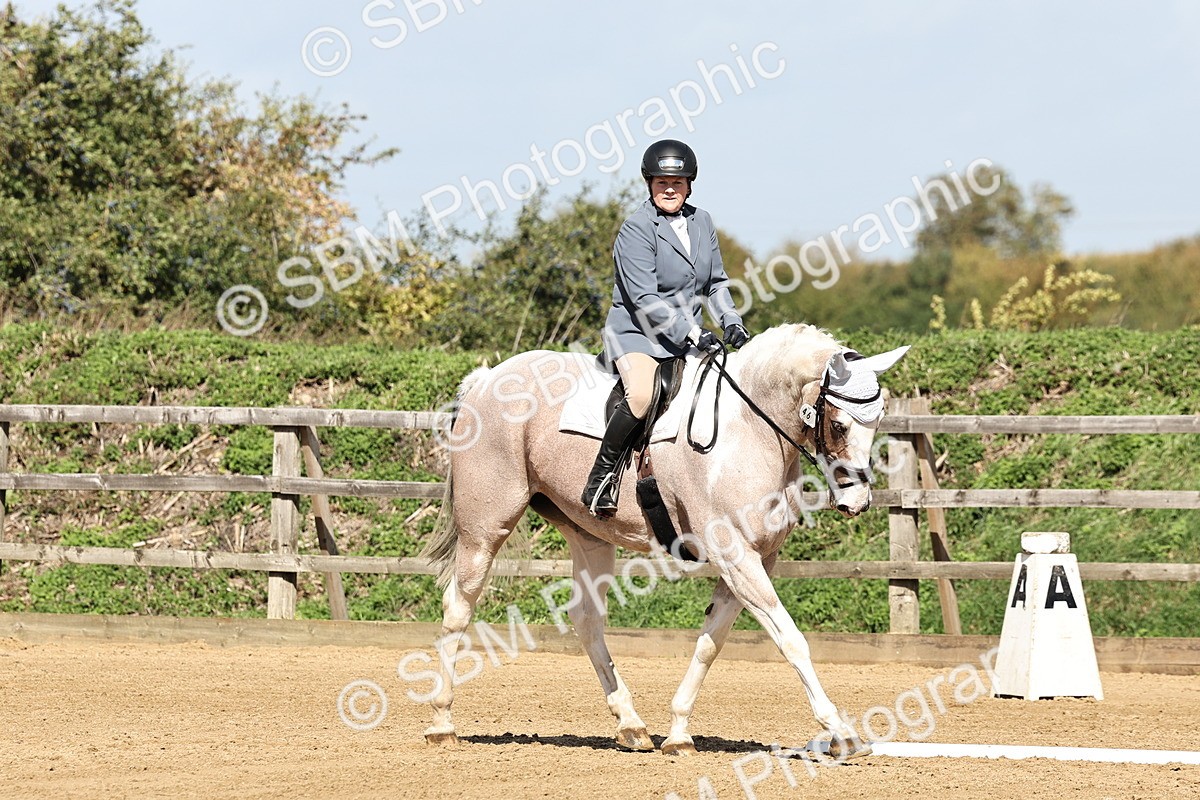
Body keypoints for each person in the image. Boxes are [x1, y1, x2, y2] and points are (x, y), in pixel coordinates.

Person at [581, 139, 749, 517]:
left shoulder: (702, 221)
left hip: (687, 334)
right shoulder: (636, 229)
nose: (669, 189)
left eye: (677, 182)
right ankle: (601, 477)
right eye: (661, 182)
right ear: (649, 184)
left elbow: (716, 283)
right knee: (641, 395)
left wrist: (731, 322)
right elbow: (643, 298)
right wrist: (692, 333)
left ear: (689, 184)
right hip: (637, 334)